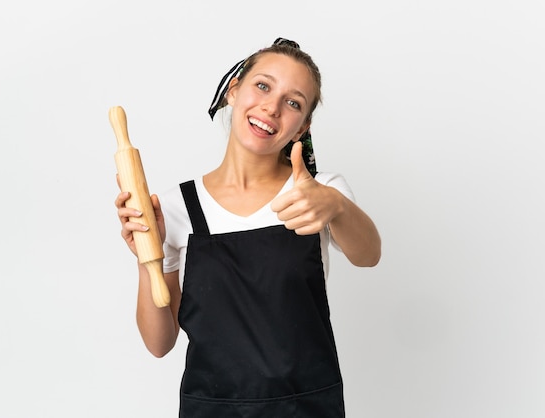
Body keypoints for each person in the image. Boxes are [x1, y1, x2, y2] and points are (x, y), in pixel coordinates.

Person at [115, 37, 381, 417]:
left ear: (302, 127)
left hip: (306, 407)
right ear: (233, 91)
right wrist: (147, 257)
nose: (271, 107)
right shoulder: (175, 208)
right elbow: (159, 343)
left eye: (293, 103)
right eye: (262, 85)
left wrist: (336, 206)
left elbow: (369, 255)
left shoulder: (319, 192)